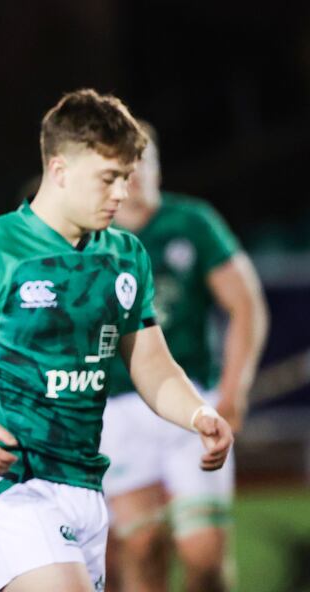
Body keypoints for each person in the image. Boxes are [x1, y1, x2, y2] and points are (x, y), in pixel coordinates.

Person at [0, 89, 235, 592]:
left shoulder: (125, 256)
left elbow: (152, 365)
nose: (122, 193)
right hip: (7, 488)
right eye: (108, 179)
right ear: (59, 170)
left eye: (125, 177)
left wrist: (197, 413)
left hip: (83, 490)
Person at [99, 123, 268, 592]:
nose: (133, 173)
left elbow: (246, 304)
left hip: (190, 402)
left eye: (141, 160)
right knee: (141, 545)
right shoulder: (87, 233)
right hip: (117, 409)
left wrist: (234, 392)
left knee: (205, 553)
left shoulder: (191, 222)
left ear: (157, 164)